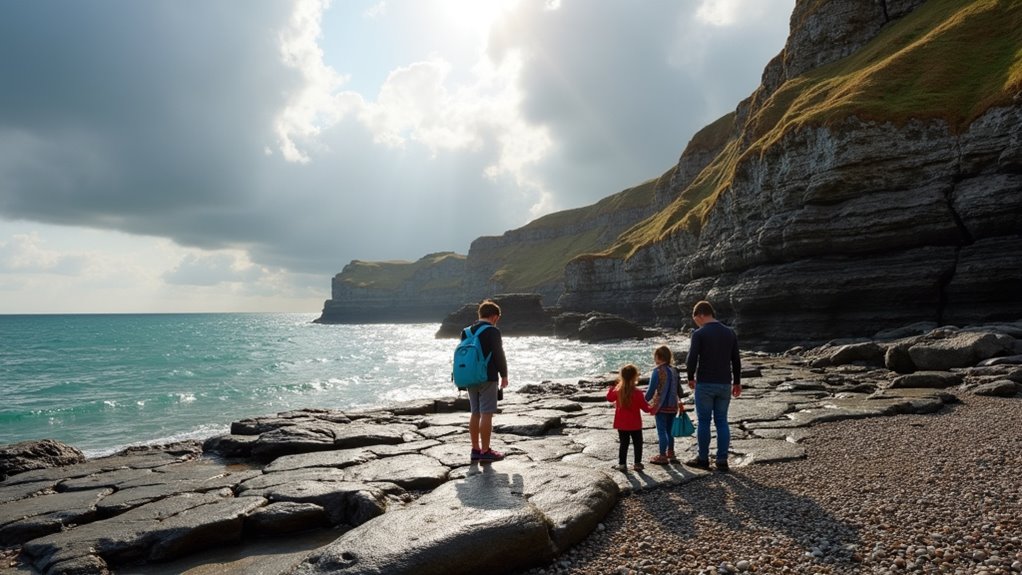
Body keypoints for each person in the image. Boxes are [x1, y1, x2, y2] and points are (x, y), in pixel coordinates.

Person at [685, 300, 741, 472]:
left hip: (705, 383)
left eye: (696, 319)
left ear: (701, 315)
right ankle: (722, 460)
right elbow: (736, 361)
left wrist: (690, 377)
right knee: (722, 421)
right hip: (724, 383)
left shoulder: (699, 334)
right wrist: (737, 382)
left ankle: (703, 459)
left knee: (703, 421)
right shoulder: (730, 333)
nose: (696, 322)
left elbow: (692, 358)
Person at [463, 300, 509, 462]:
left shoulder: (467, 331)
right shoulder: (492, 331)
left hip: (469, 377)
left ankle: (475, 449)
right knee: (486, 413)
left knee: (475, 413)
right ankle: (486, 451)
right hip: (487, 376)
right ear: (494, 316)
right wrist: (504, 374)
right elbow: (498, 354)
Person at [606, 364, 652, 472]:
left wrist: (611, 388)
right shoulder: (638, 393)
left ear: (621, 376)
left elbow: (609, 398)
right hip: (635, 424)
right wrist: (655, 405)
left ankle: (622, 464)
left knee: (624, 444)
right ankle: (637, 463)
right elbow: (646, 408)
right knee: (638, 443)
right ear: (635, 377)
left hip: (622, 424)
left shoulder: (618, 391)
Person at [645, 345, 681, 464]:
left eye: (655, 356)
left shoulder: (657, 371)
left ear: (659, 357)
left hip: (661, 405)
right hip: (673, 405)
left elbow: (651, 390)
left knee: (661, 431)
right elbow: (679, 390)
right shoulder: (674, 370)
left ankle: (662, 455)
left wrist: (644, 401)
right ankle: (671, 453)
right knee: (670, 430)